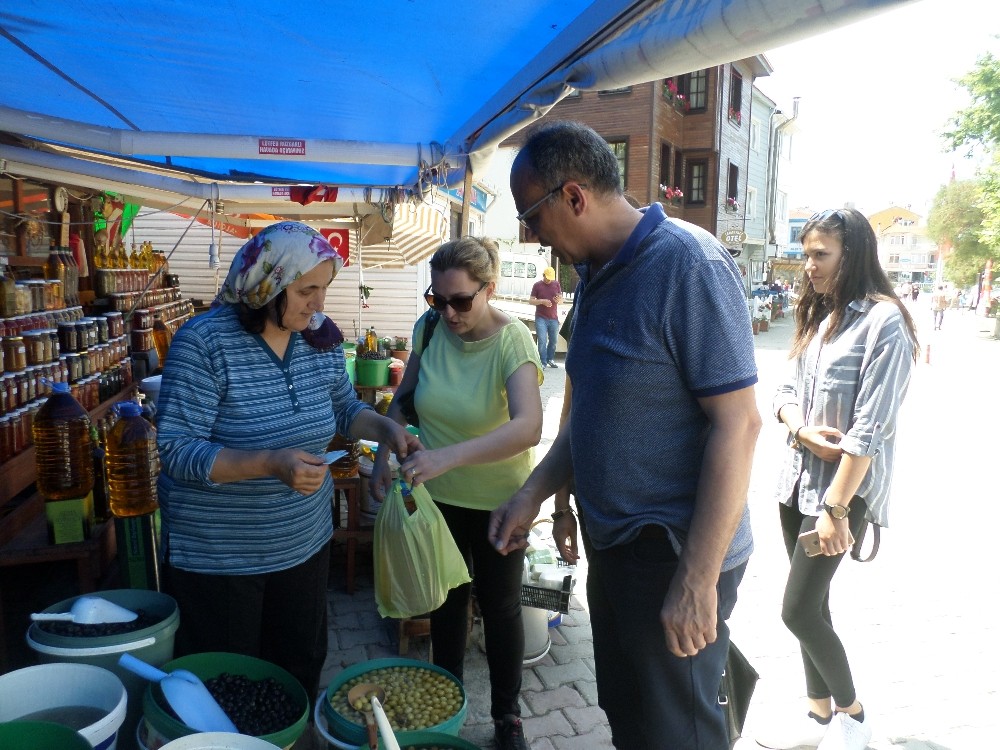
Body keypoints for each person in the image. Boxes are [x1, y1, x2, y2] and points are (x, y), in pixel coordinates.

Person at [489, 120, 762, 750]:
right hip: (616, 546)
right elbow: (593, 416)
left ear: (574, 197)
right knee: (628, 714)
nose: (531, 234)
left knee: (679, 732)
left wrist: (697, 580)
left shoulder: (688, 265)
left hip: (674, 552)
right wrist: (539, 494)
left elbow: (739, 424)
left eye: (531, 215)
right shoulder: (598, 276)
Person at [155, 221, 419, 705]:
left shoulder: (316, 337)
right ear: (266, 284)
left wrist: (386, 430)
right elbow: (176, 450)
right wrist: (270, 463)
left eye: (324, 289)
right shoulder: (204, 343)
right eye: (306, 289)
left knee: (295, 671)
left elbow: (343, 407)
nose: (319, 304)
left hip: (301, 546)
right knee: (227, 687)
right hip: (220, 559)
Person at [372, 236, 544, 750]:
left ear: (489, 290)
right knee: (445, 603)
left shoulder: (513, 340)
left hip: (499, 502)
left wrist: (446, 456)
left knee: (500, 607)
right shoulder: (429, 329)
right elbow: (404, 399)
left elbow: (529, 427)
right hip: (436, 498)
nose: (448, 312)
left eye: (461, 301)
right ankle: (445, 701)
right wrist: (383, 456)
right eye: (437, 299)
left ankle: (507, 717)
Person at [760, 208, 918, 750]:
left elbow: (871, 429)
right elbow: (782, 394)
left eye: (819, 254)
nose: (808, 266)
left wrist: (835, 508)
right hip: (794, 481)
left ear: (852, 254)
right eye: (806, 254)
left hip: (837, 494)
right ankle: (818, 717)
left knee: (797, 609)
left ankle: (854, 715)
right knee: (815, 609)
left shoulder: (885, 322)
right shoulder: (821, 318)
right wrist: (800, 429)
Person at [529, 266, 562, 368]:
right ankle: (543, 362)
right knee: (542, 340)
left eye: (550, 278)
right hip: (541, 317)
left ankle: (550, 359)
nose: (549, 280)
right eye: (547, 278)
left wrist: (558, 300)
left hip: (553, 317)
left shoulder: (556, 284)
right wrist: (542, 301)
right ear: (543, 275)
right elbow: (531, 300)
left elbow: (561, 300)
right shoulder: (537, 285)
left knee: (553, 340)